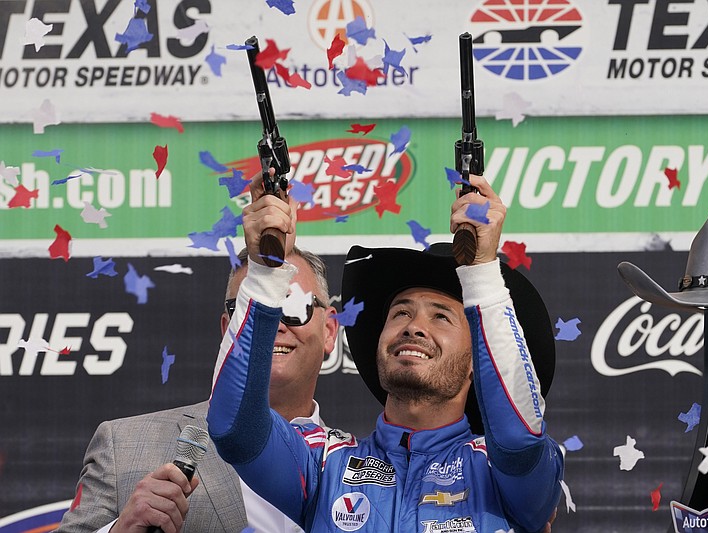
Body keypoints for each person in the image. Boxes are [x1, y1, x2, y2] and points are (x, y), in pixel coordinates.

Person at [208, 173, 564, 532]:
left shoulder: (503, 472)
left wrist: (482, 274)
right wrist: (265, 273)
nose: (414, 326)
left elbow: (518, 442)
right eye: (401, 313)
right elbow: (235, 429)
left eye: (440, 316)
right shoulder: (323, 463)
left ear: (478, 359)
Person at [55, 244, 339, 533]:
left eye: (292, 306)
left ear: (329, 331)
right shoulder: (123, 445)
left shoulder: (361, 471)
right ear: (229, 329)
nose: (272, 324)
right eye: (249, 309)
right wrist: (121, 530)